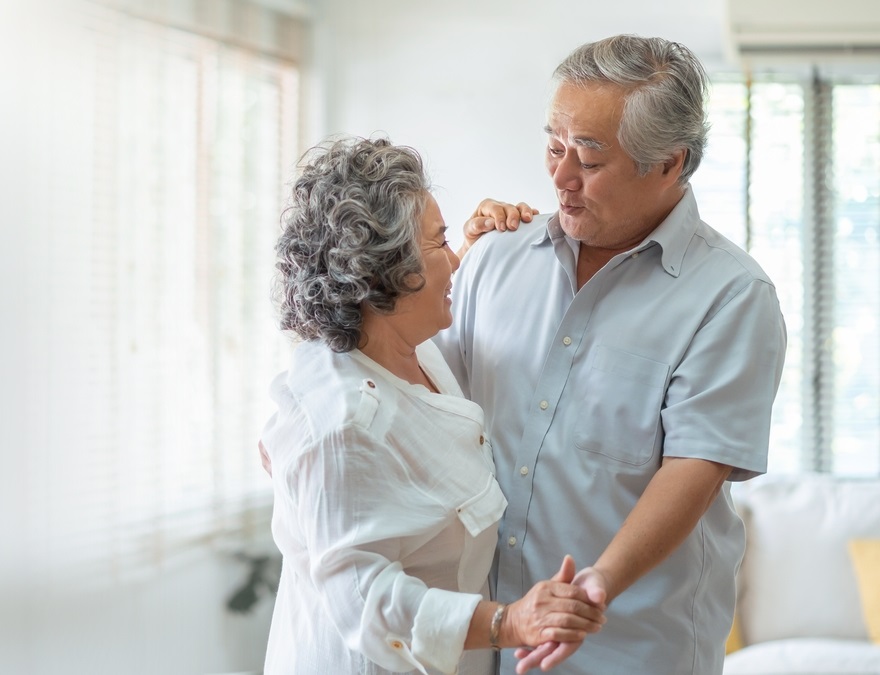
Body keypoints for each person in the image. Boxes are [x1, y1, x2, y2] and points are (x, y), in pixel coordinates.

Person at [435, 35, 787, 674]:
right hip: (486, 641)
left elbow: (694, 470)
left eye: (590, 161)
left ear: (669, 164)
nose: (560, 177)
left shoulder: (731, 297)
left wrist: (598, 584)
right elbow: (423, 394)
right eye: (553, 147)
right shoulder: (494, 257)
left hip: (630, 649)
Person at [261, 136, 605, 675]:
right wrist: (508, 623)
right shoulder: (340, 419)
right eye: (438, 242)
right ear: (381, 274)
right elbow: (364, 600)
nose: (455, 260)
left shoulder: (408, 351)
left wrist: (471, 246)